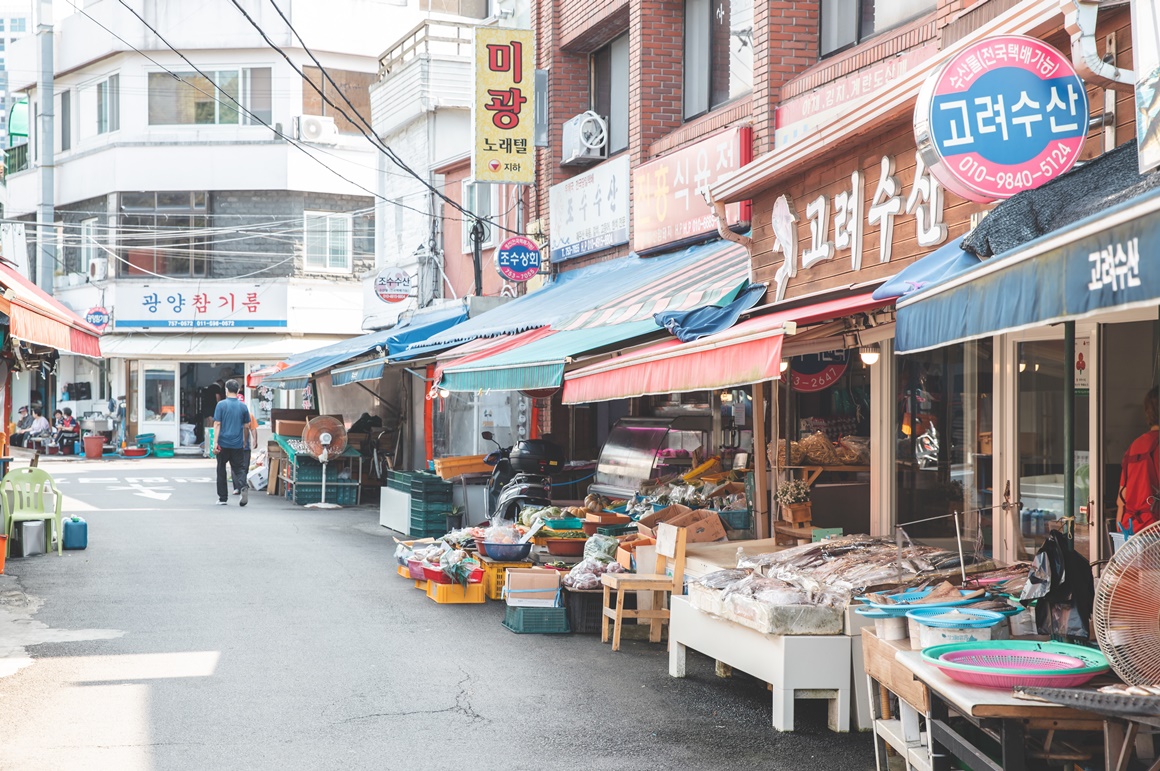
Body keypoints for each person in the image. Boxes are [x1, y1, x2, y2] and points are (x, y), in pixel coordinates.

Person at [1117, 387, 1160, 536]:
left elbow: (1121, 500)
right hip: (1156, 530)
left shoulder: (1135, 445)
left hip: (1132, 531)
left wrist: (1122, 538)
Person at [213, 379, 252, 507]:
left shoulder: (221, 405)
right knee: (239, 468)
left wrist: (215, 443)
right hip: (237, 443)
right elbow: (247, 426)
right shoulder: (243, 406)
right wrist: (245, 441)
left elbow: (217, 424)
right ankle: (243, 487)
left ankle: (223, 498)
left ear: (226, 390)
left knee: (221, 469)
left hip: (223, 443)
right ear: (238, 390)